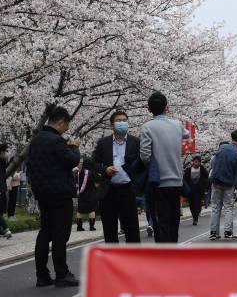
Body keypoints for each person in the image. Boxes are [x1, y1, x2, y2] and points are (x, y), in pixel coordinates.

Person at [26, 106, 81, 287]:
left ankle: (42, 275)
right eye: (66, 126)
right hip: (60, 194)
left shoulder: (35, 141)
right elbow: (72, 161)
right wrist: (74, 148)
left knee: (45, 232)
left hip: (42, 193)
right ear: (60, 122)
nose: (66, 130)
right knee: (60, 234)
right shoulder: (56, 141)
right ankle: (62, 274)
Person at [138, 92, 189, 244]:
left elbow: (145, 156)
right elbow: (186, 134)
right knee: (174, 222)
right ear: (167, 107)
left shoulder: (147, 127)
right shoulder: (177, 125)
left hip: (158, 183)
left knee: (161, 223)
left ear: (149, 109)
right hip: (177, 182)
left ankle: (164, 257)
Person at [89, 111, 141, 244]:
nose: (122, 123)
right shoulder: (103, 143)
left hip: (128, 190)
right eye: (119, 120)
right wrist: (105, 169)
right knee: (110, 231)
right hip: (108, 191)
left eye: (125, 120)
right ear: (112, 125)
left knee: (132, 231)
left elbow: (142, 165)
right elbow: (93, 163)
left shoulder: (135, 142)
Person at [207, 130, 237, 240]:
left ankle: (214, 232)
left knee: (215, 207)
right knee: (228, 207)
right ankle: (228, 232)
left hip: (216, 180)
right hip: (229, 183)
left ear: (231, 137)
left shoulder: (222, 148)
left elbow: (214, 162)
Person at [183, 155, 209, 226]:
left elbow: (207, 176)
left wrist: (205, 187)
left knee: (197, 204)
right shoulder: (189, 170)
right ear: (193, 162)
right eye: (195, 162)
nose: (196, 163)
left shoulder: (201, 169)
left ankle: (196, 218)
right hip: (191, 189)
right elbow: (185, 179)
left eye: (198, 162)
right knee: (191, 204)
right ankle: (194, 216)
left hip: (199, 189)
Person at [74, 159, 98, 232]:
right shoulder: (92, 172)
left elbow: (75, 181)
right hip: (90, 194)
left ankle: (79, 227)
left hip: (81, 194)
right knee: (91, 210)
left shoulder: (79, 172)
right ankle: (91, 227)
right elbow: (97, 181)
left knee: (80, 210)